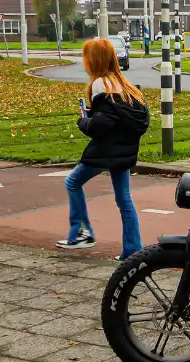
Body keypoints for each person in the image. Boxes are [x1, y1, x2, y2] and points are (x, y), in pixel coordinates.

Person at [57, 38, 150, 260]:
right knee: (124, 198)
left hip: (105, 151)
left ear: (94, 60)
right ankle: (132, 248)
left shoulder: (100, 85)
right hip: (124, 151)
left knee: (72, 182)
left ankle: (82, 232)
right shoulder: (125, 85)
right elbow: (121, 118)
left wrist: (84, 120)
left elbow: (101, 125)